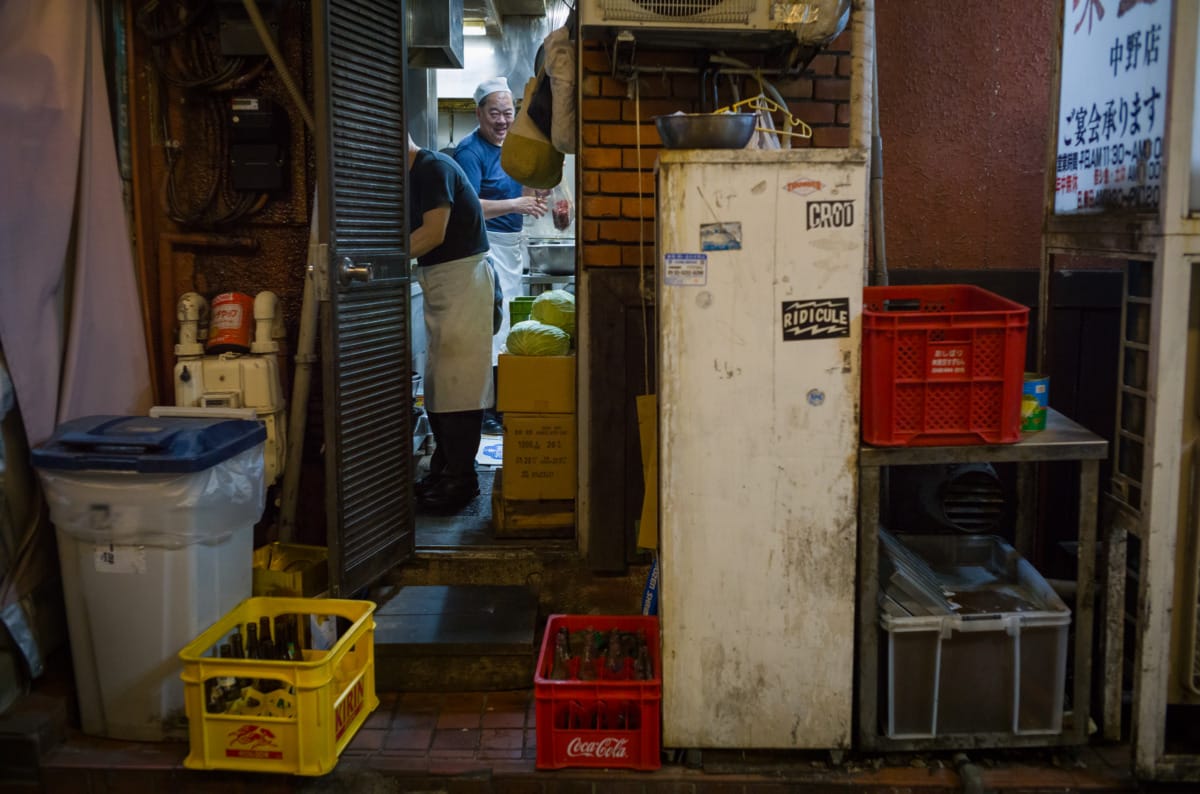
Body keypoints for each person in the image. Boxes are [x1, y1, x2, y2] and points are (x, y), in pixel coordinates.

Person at [452, 76, 547, 435]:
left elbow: (526, 189)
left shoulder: (512, 147)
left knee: (505, 330)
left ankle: (501, 404)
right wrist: (516, 203)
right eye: (495, 113)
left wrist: (544, 201)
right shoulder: (469, 151)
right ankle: (487, 409)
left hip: (511, 245)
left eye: (509, 113)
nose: (503, 121)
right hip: (483, 247)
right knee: (490, 330)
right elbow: (467, 206)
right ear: (479, 114)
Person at [407, 134, 495, 512]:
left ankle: (462, 480)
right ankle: (446, 470)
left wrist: (382, 258)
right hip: (447, 284)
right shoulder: (418, 173)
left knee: (459, 384)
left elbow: (433, 232)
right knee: (440, 384)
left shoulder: (433, 168)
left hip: (463, 283)